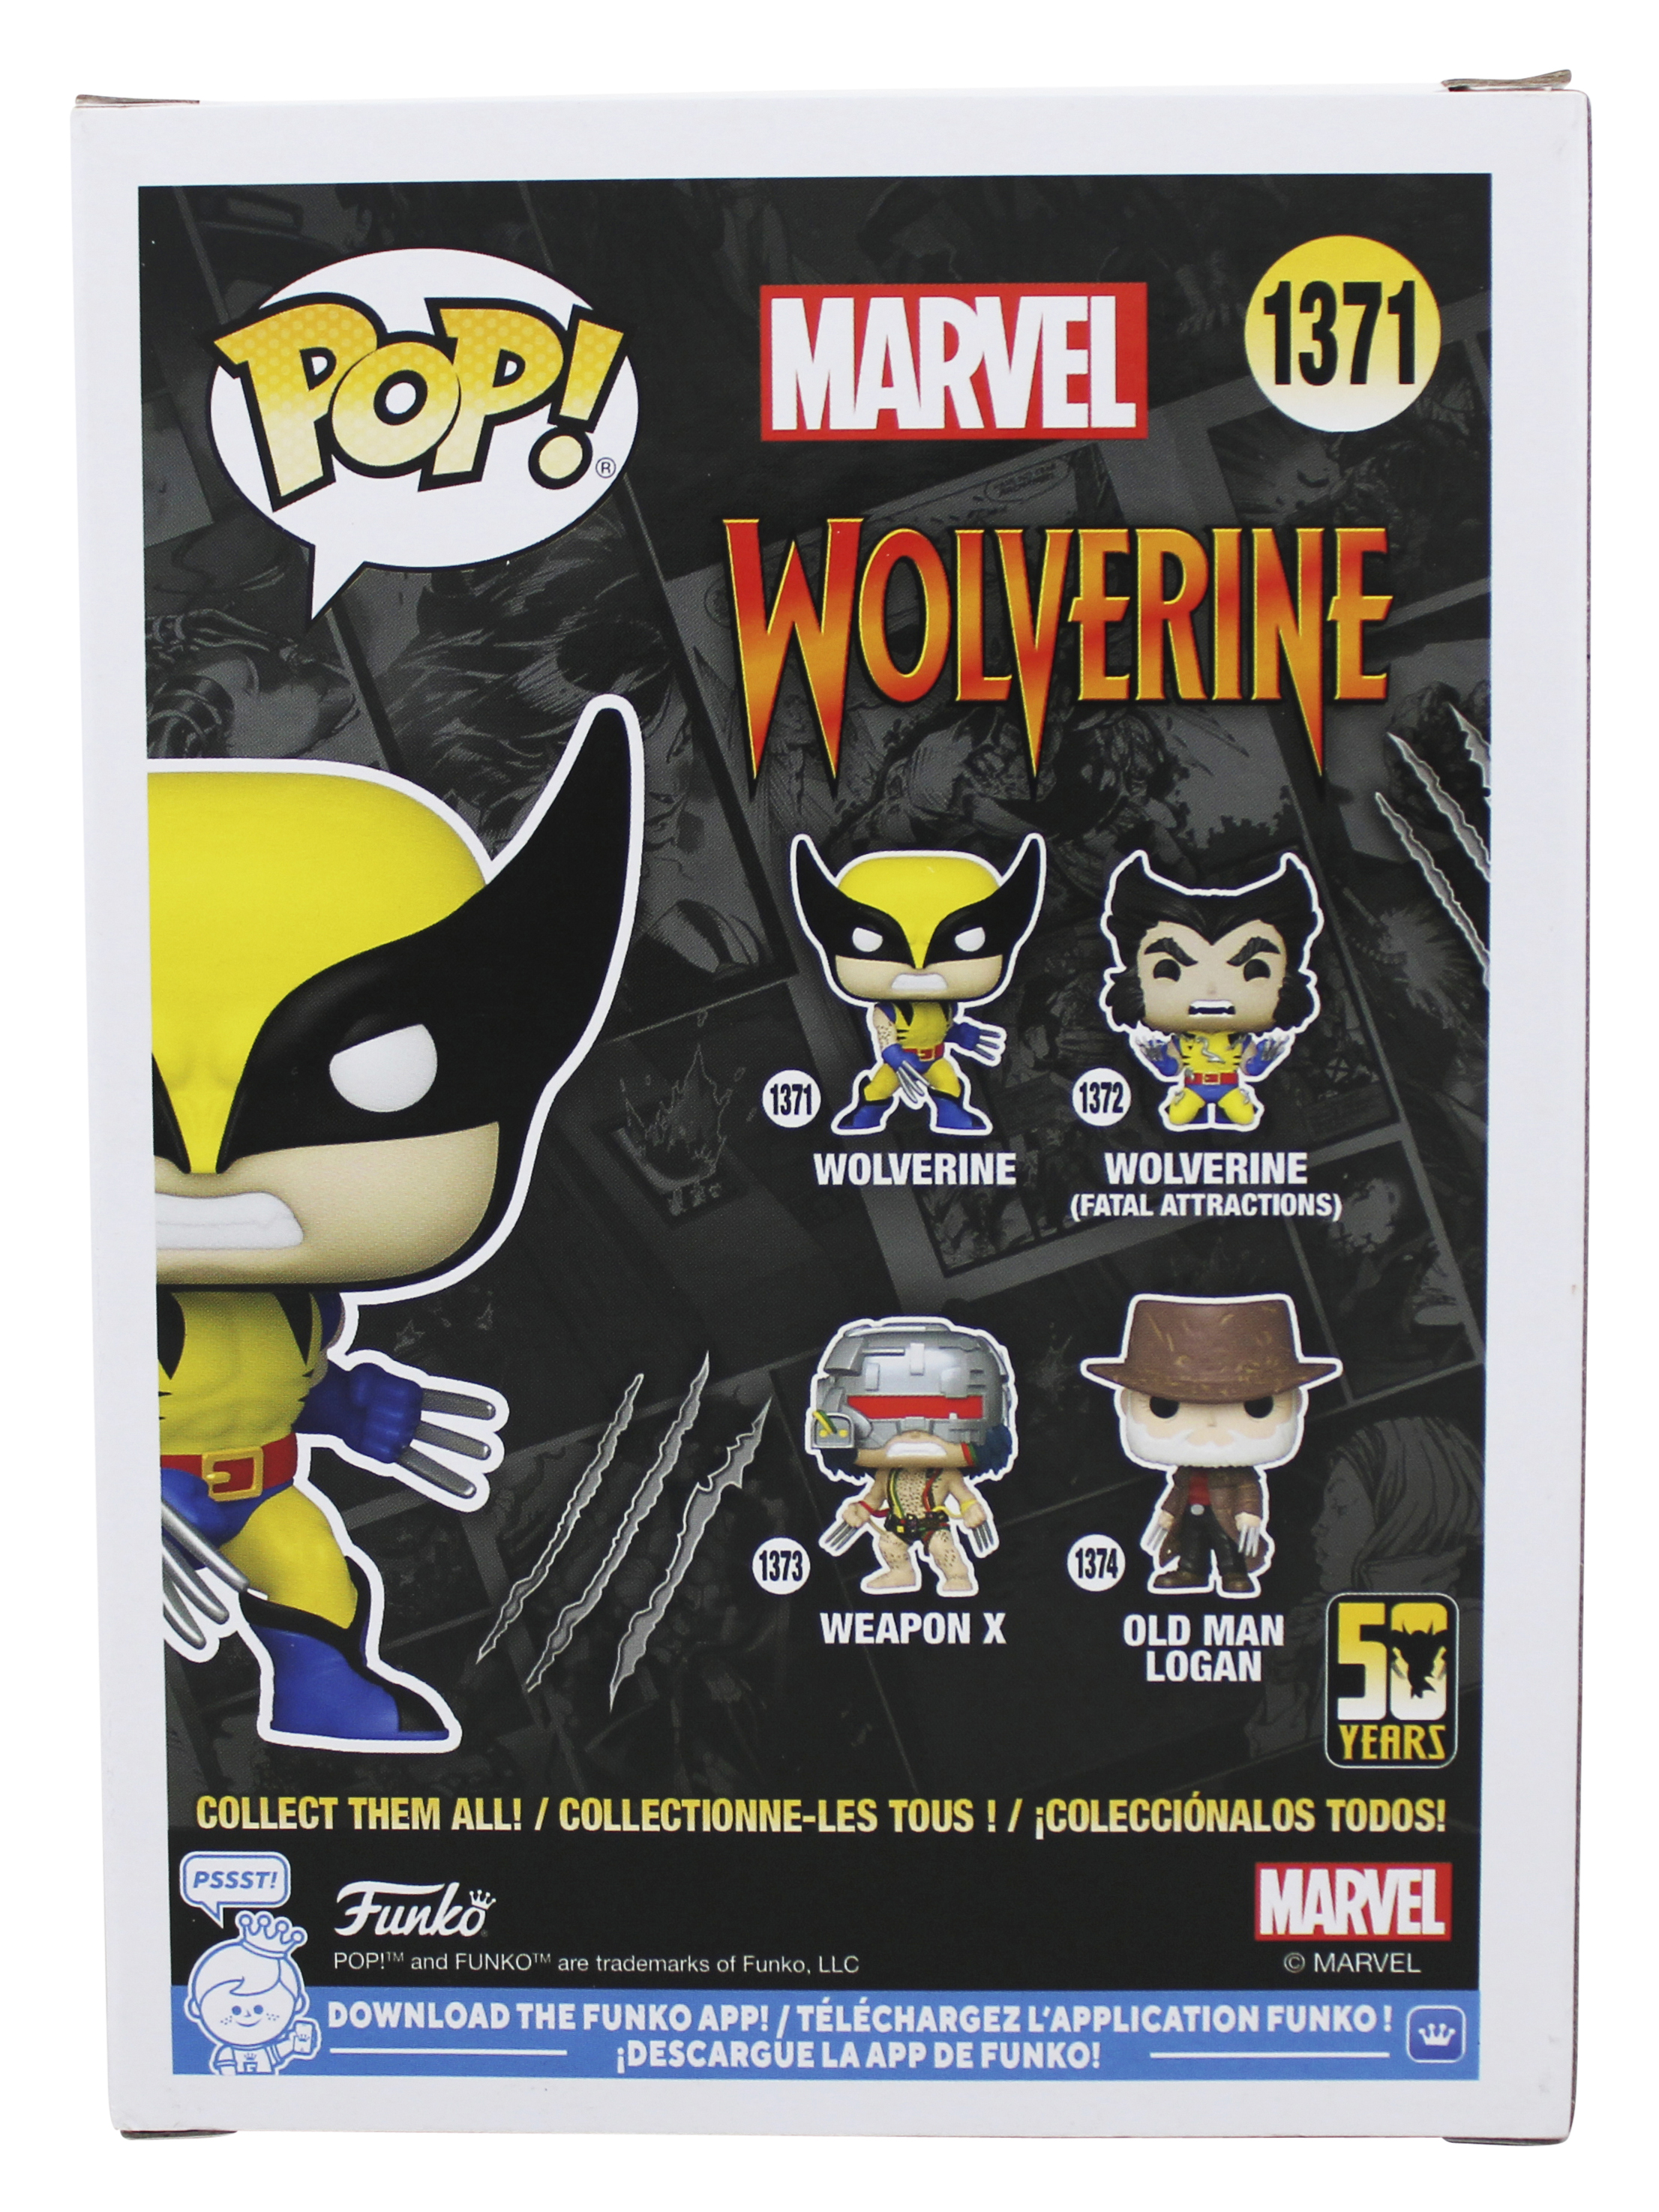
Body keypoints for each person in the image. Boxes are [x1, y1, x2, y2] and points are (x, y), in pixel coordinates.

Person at [1083, 1293, 1340, 1597]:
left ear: (1297, 1403)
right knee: (1192, 1542)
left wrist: (1250, 1514)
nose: (1210, 1428)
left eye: (1257, 1406)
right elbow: (1178, 1490)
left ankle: (1233, 1573)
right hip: (1192, 1513)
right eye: (1165, 1407)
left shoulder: (1239, 1473)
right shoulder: (1185, 1473)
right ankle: (1191, 1571)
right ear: (1125, 1404)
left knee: (1226, 1543)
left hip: (1225, 1514)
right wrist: (1166, 1515)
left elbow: (1248, 1488)